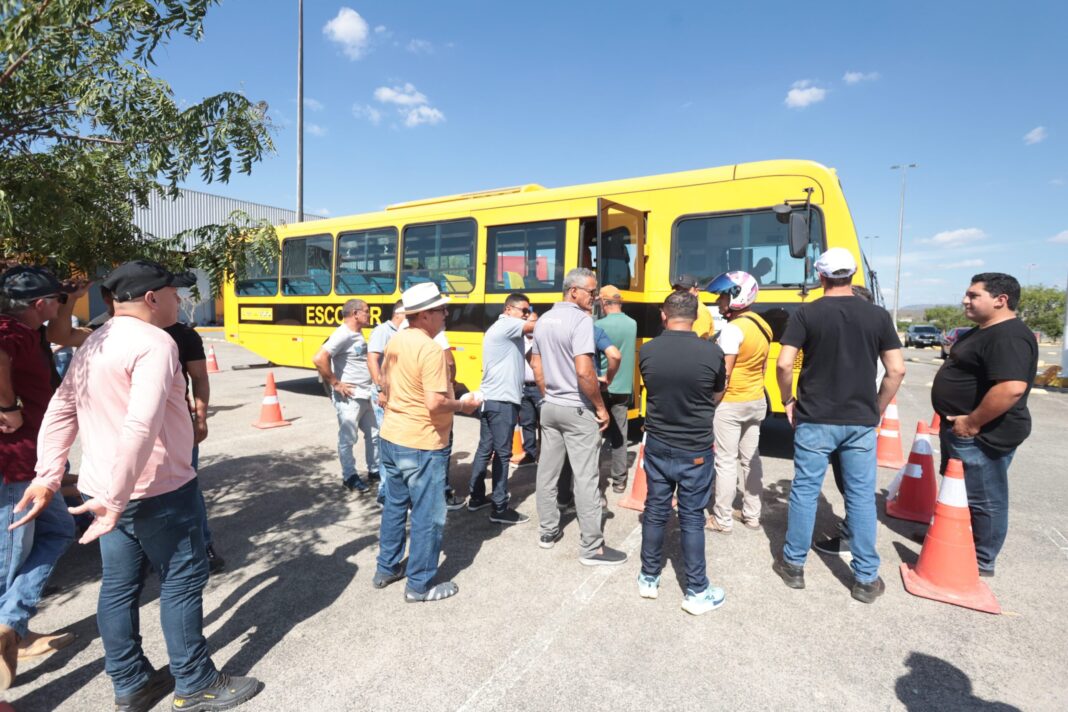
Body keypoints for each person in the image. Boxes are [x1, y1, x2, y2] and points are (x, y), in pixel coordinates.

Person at [22, 260, 261, 710]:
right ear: (152, 298)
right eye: (174, 293)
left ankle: (130, 682)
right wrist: (110, 494)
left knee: (119, 586)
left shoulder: (97, 340)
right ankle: (196, 683)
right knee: (182, 579)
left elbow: (61, 409)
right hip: (157, 490)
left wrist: (48, 475)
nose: (179, 300)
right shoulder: (156, 342)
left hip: (105, 489)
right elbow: (141, 423)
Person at [773, 248, 905, 604]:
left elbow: (784, 364)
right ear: (853, 274)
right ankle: (865, 579)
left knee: (804, 490)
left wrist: (788, 400)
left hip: (815, 418)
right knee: (861, 497)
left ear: (821, 276)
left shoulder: (806, 313)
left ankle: (794, 566)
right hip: (859, 421)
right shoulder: (877, 316)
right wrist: (877, 409)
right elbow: (896, 369)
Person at [375, 283, 480, 602]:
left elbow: (384, 383)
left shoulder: (396, 340)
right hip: (422, 442)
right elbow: (435, 403)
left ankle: (387, 567)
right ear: (423, 315)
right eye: (441, 310)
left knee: (395, 506)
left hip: (392, 436)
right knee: (428, 515)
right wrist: (464, 405)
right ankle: (419, 585)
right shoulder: (431, 349)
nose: (446, 314)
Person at [931, 273, 1037, 578]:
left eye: (973, 295)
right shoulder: (984, 331)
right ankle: (953, 541)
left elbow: (1011, 388)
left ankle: (980, 559)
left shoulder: (1009, 336)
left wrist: (972, 422)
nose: (965, 300)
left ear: (1001, 300)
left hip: (983, 434)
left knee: (984, 498)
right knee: (960, 492)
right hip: (962, 430)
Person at [0, 266, 76, 689]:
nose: (61, 306)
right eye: (58, 300)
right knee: (9, 557)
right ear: (40, 304)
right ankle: (7, 631)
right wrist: (7, 407)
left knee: (60, 530)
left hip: (34, 464)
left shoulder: (31, 332)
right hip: (14, 465)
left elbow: (64, 333)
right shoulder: (9, 330)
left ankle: (11, 626)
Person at [637, 291, 727, 614]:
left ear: (664, 314)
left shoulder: (648, 350)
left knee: (655, 509)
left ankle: (648, 577)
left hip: (658, 442)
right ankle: (697, 590)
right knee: (691, 517)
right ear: (697, 316)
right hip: (695, 447)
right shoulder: (712, 352)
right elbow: (718, 392)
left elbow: (653, 387)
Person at [531, 267, 626, 565]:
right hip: (577, 408)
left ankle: (548, 531)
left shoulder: (543, 320)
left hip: (550, 407)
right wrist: (600, 407)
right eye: (591, 292)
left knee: (547, 473)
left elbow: (536, 366)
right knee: (586, 478)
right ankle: (592, 547)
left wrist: (549, 394)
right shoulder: (582, 321)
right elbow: (585, 372)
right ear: (573, 291)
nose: (594, 297)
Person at [704, 271, 770, 533]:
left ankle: (722, 519)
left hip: (731, 403)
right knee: (751, 459)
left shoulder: (733, 330)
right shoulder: (762, 325)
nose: (718, 301)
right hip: (756, 400)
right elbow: (762, 367)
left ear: (736, 296)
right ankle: (752, 515)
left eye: (722, 296)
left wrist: (713, 402)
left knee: (725, 461)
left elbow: (725, 374)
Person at [161, 317, 226, 575]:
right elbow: (63, 334)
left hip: (178, 427)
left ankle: (202, 545)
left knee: (187, 488)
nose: (178, 300)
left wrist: (200, 418)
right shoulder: (110, 329)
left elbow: (199, 377)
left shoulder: (184, 334)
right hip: (131, 429)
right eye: (174, 296)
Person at [466, 293, 536, 523]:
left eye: (528, 311)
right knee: (503, 454)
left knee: (485, 449)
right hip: (502, 402)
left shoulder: (502, 328)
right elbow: (535, 326)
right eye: (523, 310)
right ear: (508, 309)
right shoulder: (507, 325)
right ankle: (499, 507)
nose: (526, 315)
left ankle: (476, 497)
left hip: (491, 399)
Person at [313, 299, 379, 493]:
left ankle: (374, 471)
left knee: (374, 434)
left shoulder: (358, 333)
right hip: (350, 397)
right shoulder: (342, 334)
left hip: (366, 394)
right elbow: (319, 358)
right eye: (366, 311)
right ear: (355, 313)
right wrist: (336, 383)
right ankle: (349, 476)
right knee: (348, 438)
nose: (369, 314)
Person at [594, 285, 636, 493]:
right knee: (620, 435)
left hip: (601, 385)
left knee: (596, 435)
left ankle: (595, 480)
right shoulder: (632, 324)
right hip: (623, 387)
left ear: (604, 302)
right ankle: (619, 481)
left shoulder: (597, 325)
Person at [516, 329, 542, 464]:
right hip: (524, 387)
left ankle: (544, 454)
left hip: (540, 387)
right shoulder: (519, 341)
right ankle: (530, 454)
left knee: (544, 423)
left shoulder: (542, 340)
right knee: (527, 422)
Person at [672, 274, 714, 339]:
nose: (681, 293)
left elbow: (698, 341)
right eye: (678, 290)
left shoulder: (699, 311)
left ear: (696, 291)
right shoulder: (685, 308)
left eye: (685, 290)